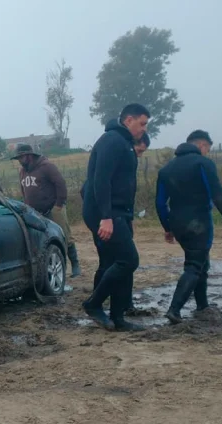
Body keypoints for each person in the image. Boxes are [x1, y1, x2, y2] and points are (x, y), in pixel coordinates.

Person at [81, 103, 150, 332]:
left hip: (119, 213)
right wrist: (107, 217)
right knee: (128, 260)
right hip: (105, 213)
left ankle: (118, 318)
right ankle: (93, 303)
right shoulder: (112, 140)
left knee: (115, 262)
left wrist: (128, 218)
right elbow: (101, 180)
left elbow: (124, 185)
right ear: (128, 120)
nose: (144, 129)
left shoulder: (126, 144)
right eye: (142, 123)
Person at [155, 130, 222, 324]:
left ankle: (202, 305)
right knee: (194, 265)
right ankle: (174, 309)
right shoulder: (203, 164)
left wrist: (167, 227)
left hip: (177, 222)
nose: (207, 152)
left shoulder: (166, 169)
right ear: (201, 145)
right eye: (207, 148)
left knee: (200, 263)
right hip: (199, 222)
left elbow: (159, 203)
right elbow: (216, 193)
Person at [13, 144, 80, 278]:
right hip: (35, 212)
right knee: (42, 239)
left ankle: (75, 264)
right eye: (18, 157)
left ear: (29, 155)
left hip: (53, 208)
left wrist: (59, 205)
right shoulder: (22, 171)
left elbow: (60, 184)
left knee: (64, 235)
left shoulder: (47, 166)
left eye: (21, 157)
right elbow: (24, 190)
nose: (19, 160)